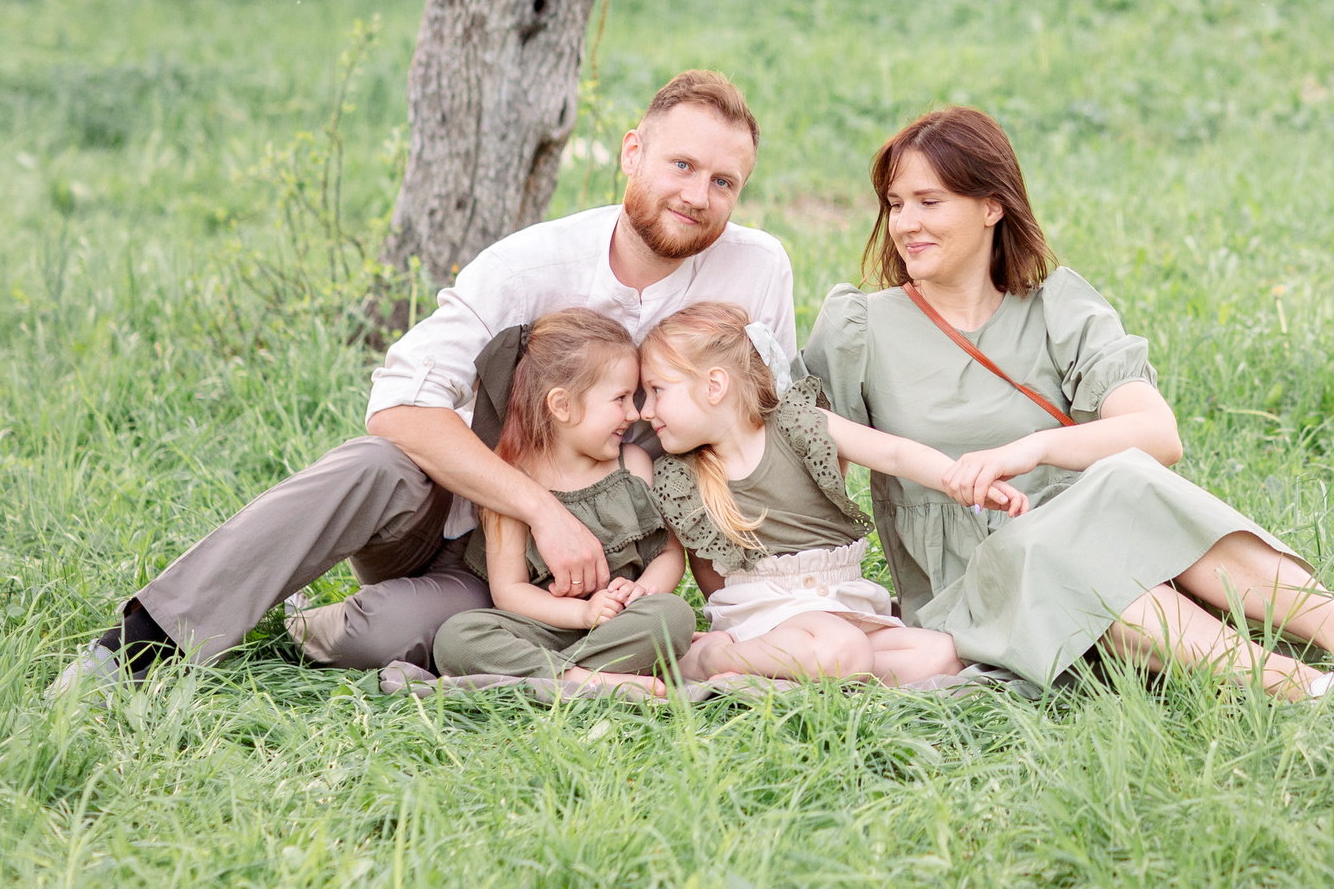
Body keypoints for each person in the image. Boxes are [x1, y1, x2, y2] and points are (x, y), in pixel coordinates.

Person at [54, 70, 793, 691]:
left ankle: (357, 632)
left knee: (396, 634)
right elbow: (398, 408)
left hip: (579, 575)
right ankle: (143, 644)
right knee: (376, 464)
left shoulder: (754, 271)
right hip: (451, 521)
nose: (698, 195)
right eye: (681, 165)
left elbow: (770, 436)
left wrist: (769, 611)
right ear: (633, 152)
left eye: (723, 181)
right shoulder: (529, 266)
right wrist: (541, 510)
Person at [807, 106, 1334, 700]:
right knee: (1068, 553)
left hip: (1099, 553)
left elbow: (1159, 434)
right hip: (976, 585)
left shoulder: (1055, 307)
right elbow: (809, 474)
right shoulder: (859, 328)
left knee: (1126, 476)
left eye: (929, 202)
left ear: (992, 206)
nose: (905, 223)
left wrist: (1032, 448)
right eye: (895, 204)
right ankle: (1297, 686)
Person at [638, 301, 1023, 686]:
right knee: (845, 650)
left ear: (714, 385)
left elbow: (893, 453)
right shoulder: (681, 478)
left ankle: (802, 668)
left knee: (941, 656)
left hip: (840, 601)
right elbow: (710, 574)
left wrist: (959, 480)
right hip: (766, 618)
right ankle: (712, 658)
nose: (646, 411)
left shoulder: (799, 424)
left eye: (656, 391)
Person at [429, 309, 695, 695]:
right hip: (543, 627)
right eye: (620, 398)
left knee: (673, 616)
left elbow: (668, 553)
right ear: (562, 405)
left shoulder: (634, 465)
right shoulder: (513, 481)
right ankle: (584, 680)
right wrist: (583, 613)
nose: (634, 413)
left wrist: (643, 591)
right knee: (456, 638)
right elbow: (509, 591)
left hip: (621, 623)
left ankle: (553, 678)